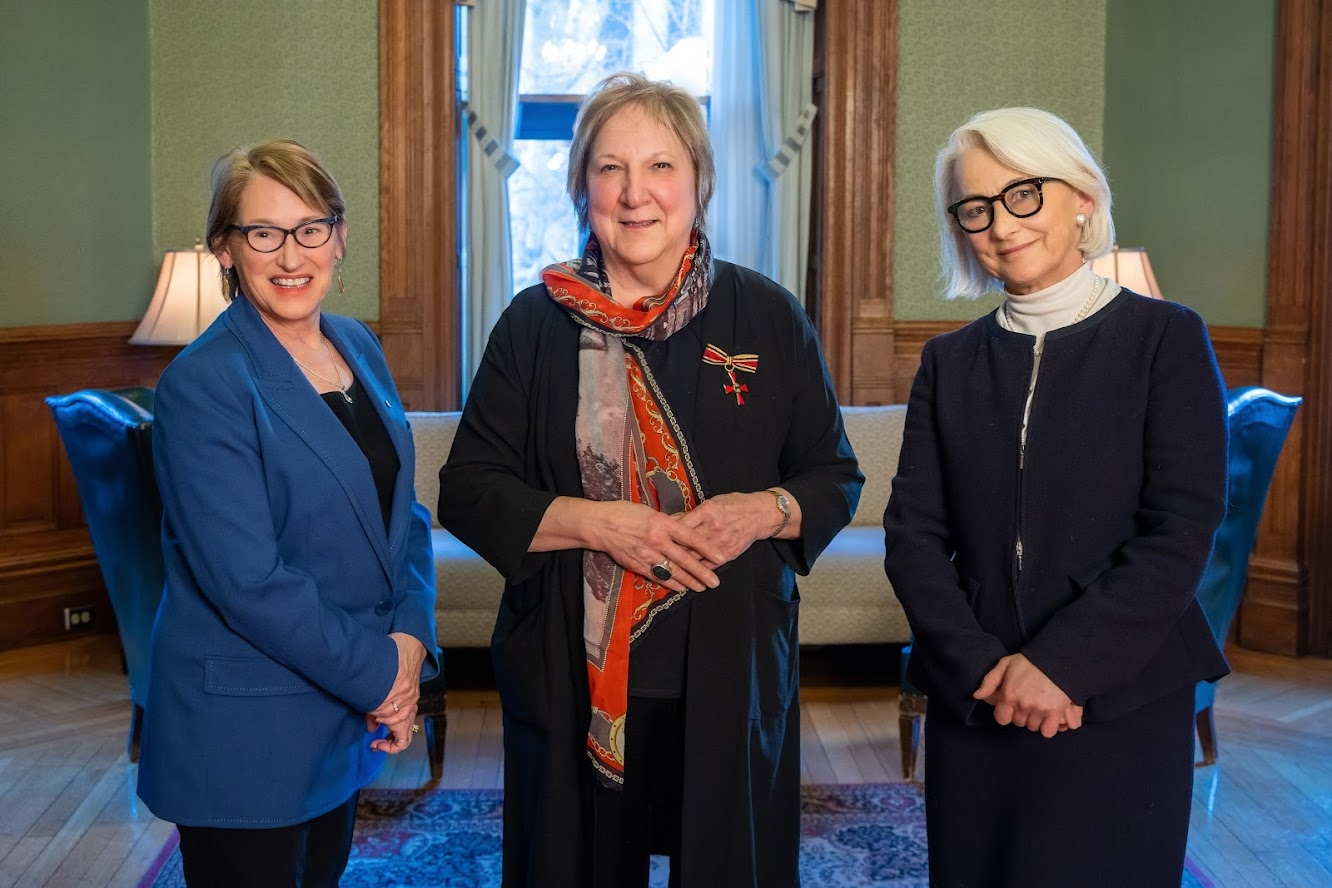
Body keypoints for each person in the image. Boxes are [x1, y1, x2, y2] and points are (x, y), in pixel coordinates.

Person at [438, 72, 862, 888]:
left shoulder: (768, 314)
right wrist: (599, 523)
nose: (636, 195)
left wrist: (763, 511)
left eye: (661, 167)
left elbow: (832, 475)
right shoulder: (534, 323)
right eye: (610, 169)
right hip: (574, 668)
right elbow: (469, 488)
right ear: (581, 188)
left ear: (699, 183)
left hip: (730, 661)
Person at [883, 106, 1230, 885]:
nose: (1001, 225)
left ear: (1081, 197)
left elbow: (1180, 528)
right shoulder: (948, 362)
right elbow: (911, 536)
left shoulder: (1166, 338)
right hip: (979, 697)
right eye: (976, 208)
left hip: (1121, 693)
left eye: (1024, 194)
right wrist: (985, 666)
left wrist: (1062, 668)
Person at [136, 139, 439, 887]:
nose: (290, 253)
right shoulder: (202, 384)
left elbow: (402, 515)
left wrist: (408, 638)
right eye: (263, 233)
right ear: (225, 251)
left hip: (333, 717)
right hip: (244, 734)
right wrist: (383, 676)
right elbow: (248, 582)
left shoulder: (357, 345)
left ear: (338, 237)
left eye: (310, 228)